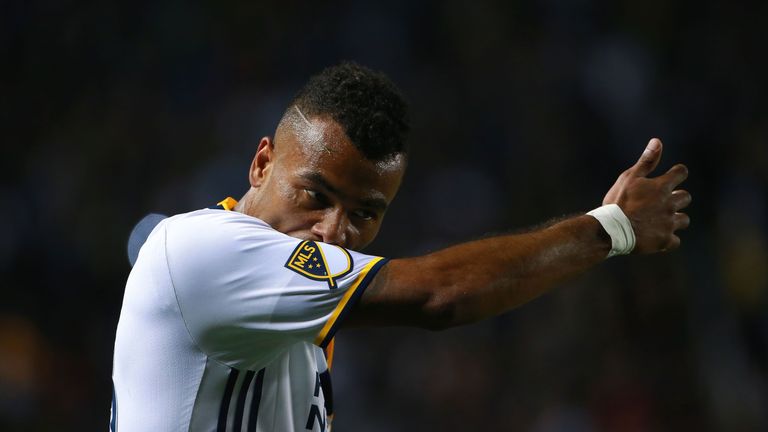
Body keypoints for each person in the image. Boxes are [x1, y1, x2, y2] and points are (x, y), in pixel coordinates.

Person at [110, 62, 691, 431]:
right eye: (315, 194)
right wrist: (608, 228)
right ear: (262, 162)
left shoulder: (281, 301)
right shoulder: (205, 250)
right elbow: (440, 296)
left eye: (365, 213)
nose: (335, 231)